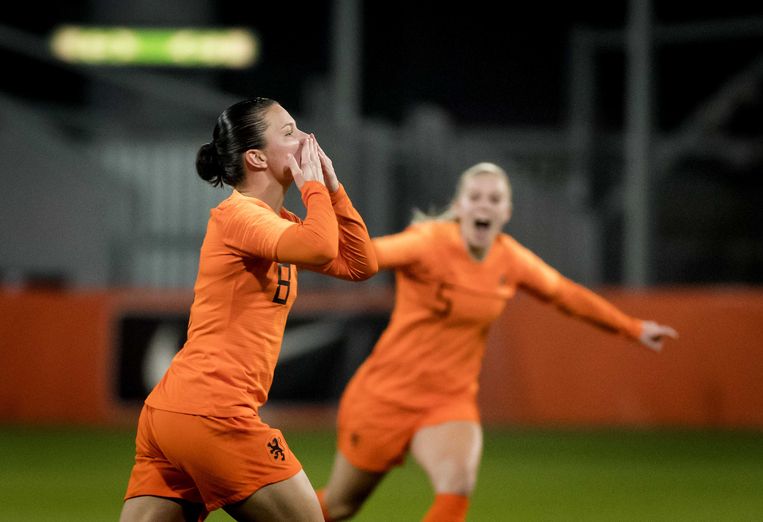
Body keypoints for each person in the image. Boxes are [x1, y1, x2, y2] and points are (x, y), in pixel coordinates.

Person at [317, 162, 678, 522]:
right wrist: (289, 251)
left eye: (494, 199)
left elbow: (565, 295)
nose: (484, 205)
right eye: (475, 197)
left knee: (457, 485)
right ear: (459, 207)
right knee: (340, 506)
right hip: (385, 396)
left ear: (506, 212)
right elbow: (367, 255)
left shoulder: (510, 259)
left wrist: (632, 328)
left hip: (448, 399)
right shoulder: (428, 243)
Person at [120, 97, 378, 522]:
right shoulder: (238, 215)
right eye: (290, 132)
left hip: (175, 414)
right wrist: (313, 186)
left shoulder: (281, 224)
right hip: (215, 414)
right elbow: (320, 245)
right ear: (256, 157)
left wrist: (333, 187)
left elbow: (360, 263)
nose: (307, 140)